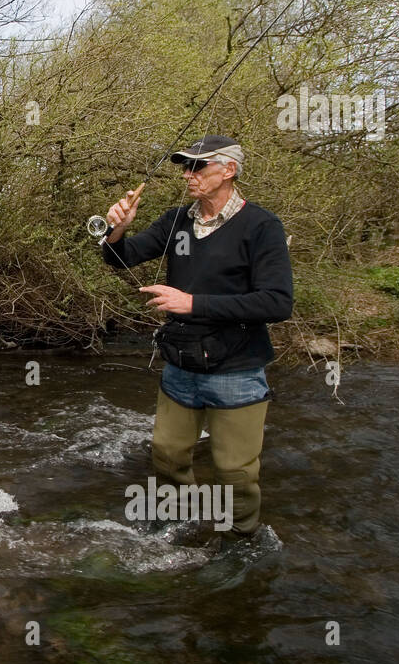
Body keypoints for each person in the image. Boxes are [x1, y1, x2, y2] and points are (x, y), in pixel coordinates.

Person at [99, 134, 293, 538]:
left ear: (229, 170)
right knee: (167, 456)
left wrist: (193, 304)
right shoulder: (176, 221)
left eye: (198, 166)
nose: (188, 174)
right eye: (185, 166)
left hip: (237, 368)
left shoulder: (261, 226)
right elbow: (122, 258)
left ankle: (241, 538)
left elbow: (277, 303)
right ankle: (178, 523)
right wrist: (116, 230)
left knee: (234, 472)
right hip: (181, 364)